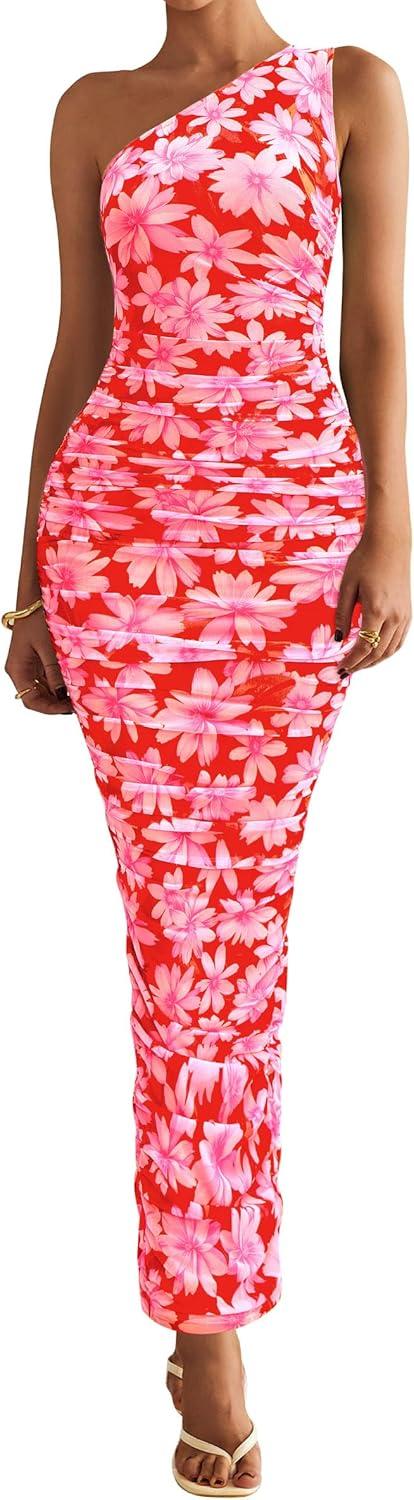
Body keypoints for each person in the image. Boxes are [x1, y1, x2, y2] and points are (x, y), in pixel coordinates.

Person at [3, 2, 411, 1493]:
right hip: (123, 552)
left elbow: (375, 330)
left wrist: (393, 532)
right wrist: (29, 580)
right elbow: (80, 346)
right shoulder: (89, 107)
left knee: (240, 931)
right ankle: (208, 1325)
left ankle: (205, 1298)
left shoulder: (351, 88)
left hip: (286, 552)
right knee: (174, 935)